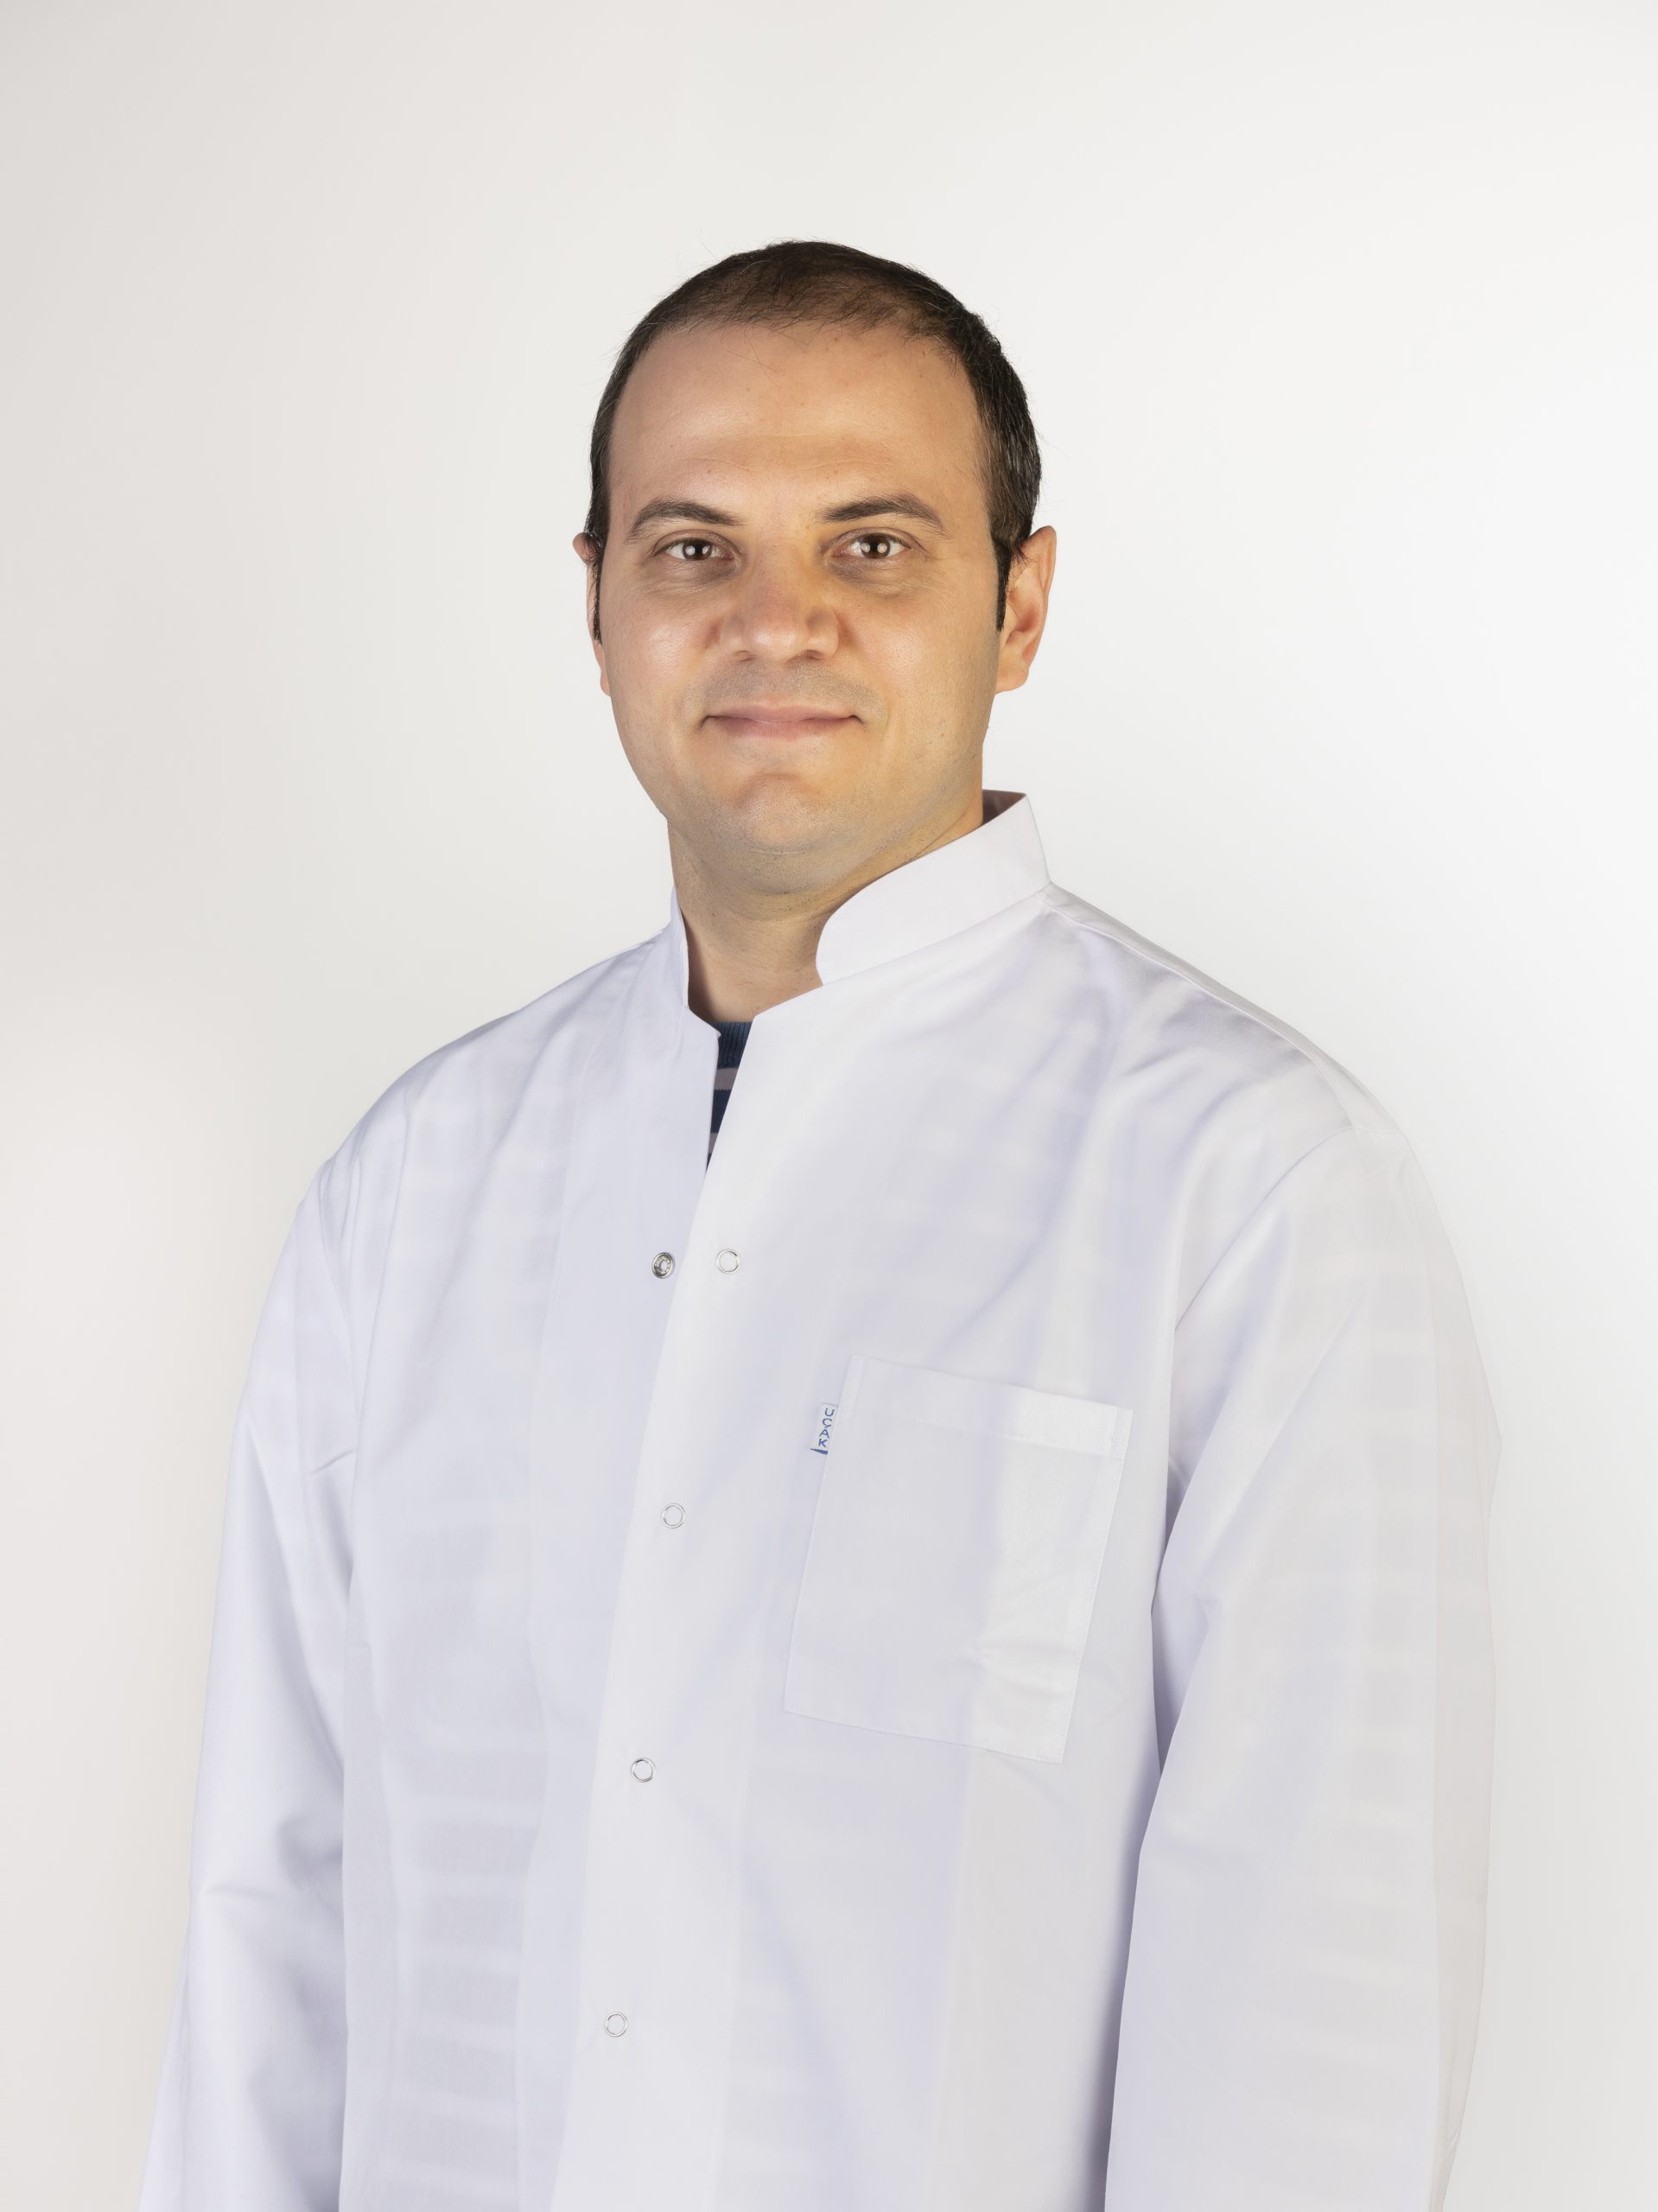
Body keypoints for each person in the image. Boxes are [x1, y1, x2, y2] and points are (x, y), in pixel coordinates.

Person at [137, 239, 1498, 2212]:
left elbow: (1316, 2001)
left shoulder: (1247, 1186)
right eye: (693, 548)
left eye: (873, 545)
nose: (777, 621)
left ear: (1019, 605)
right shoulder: (413, 1188)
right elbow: (273, 1908)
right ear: (596, 604)